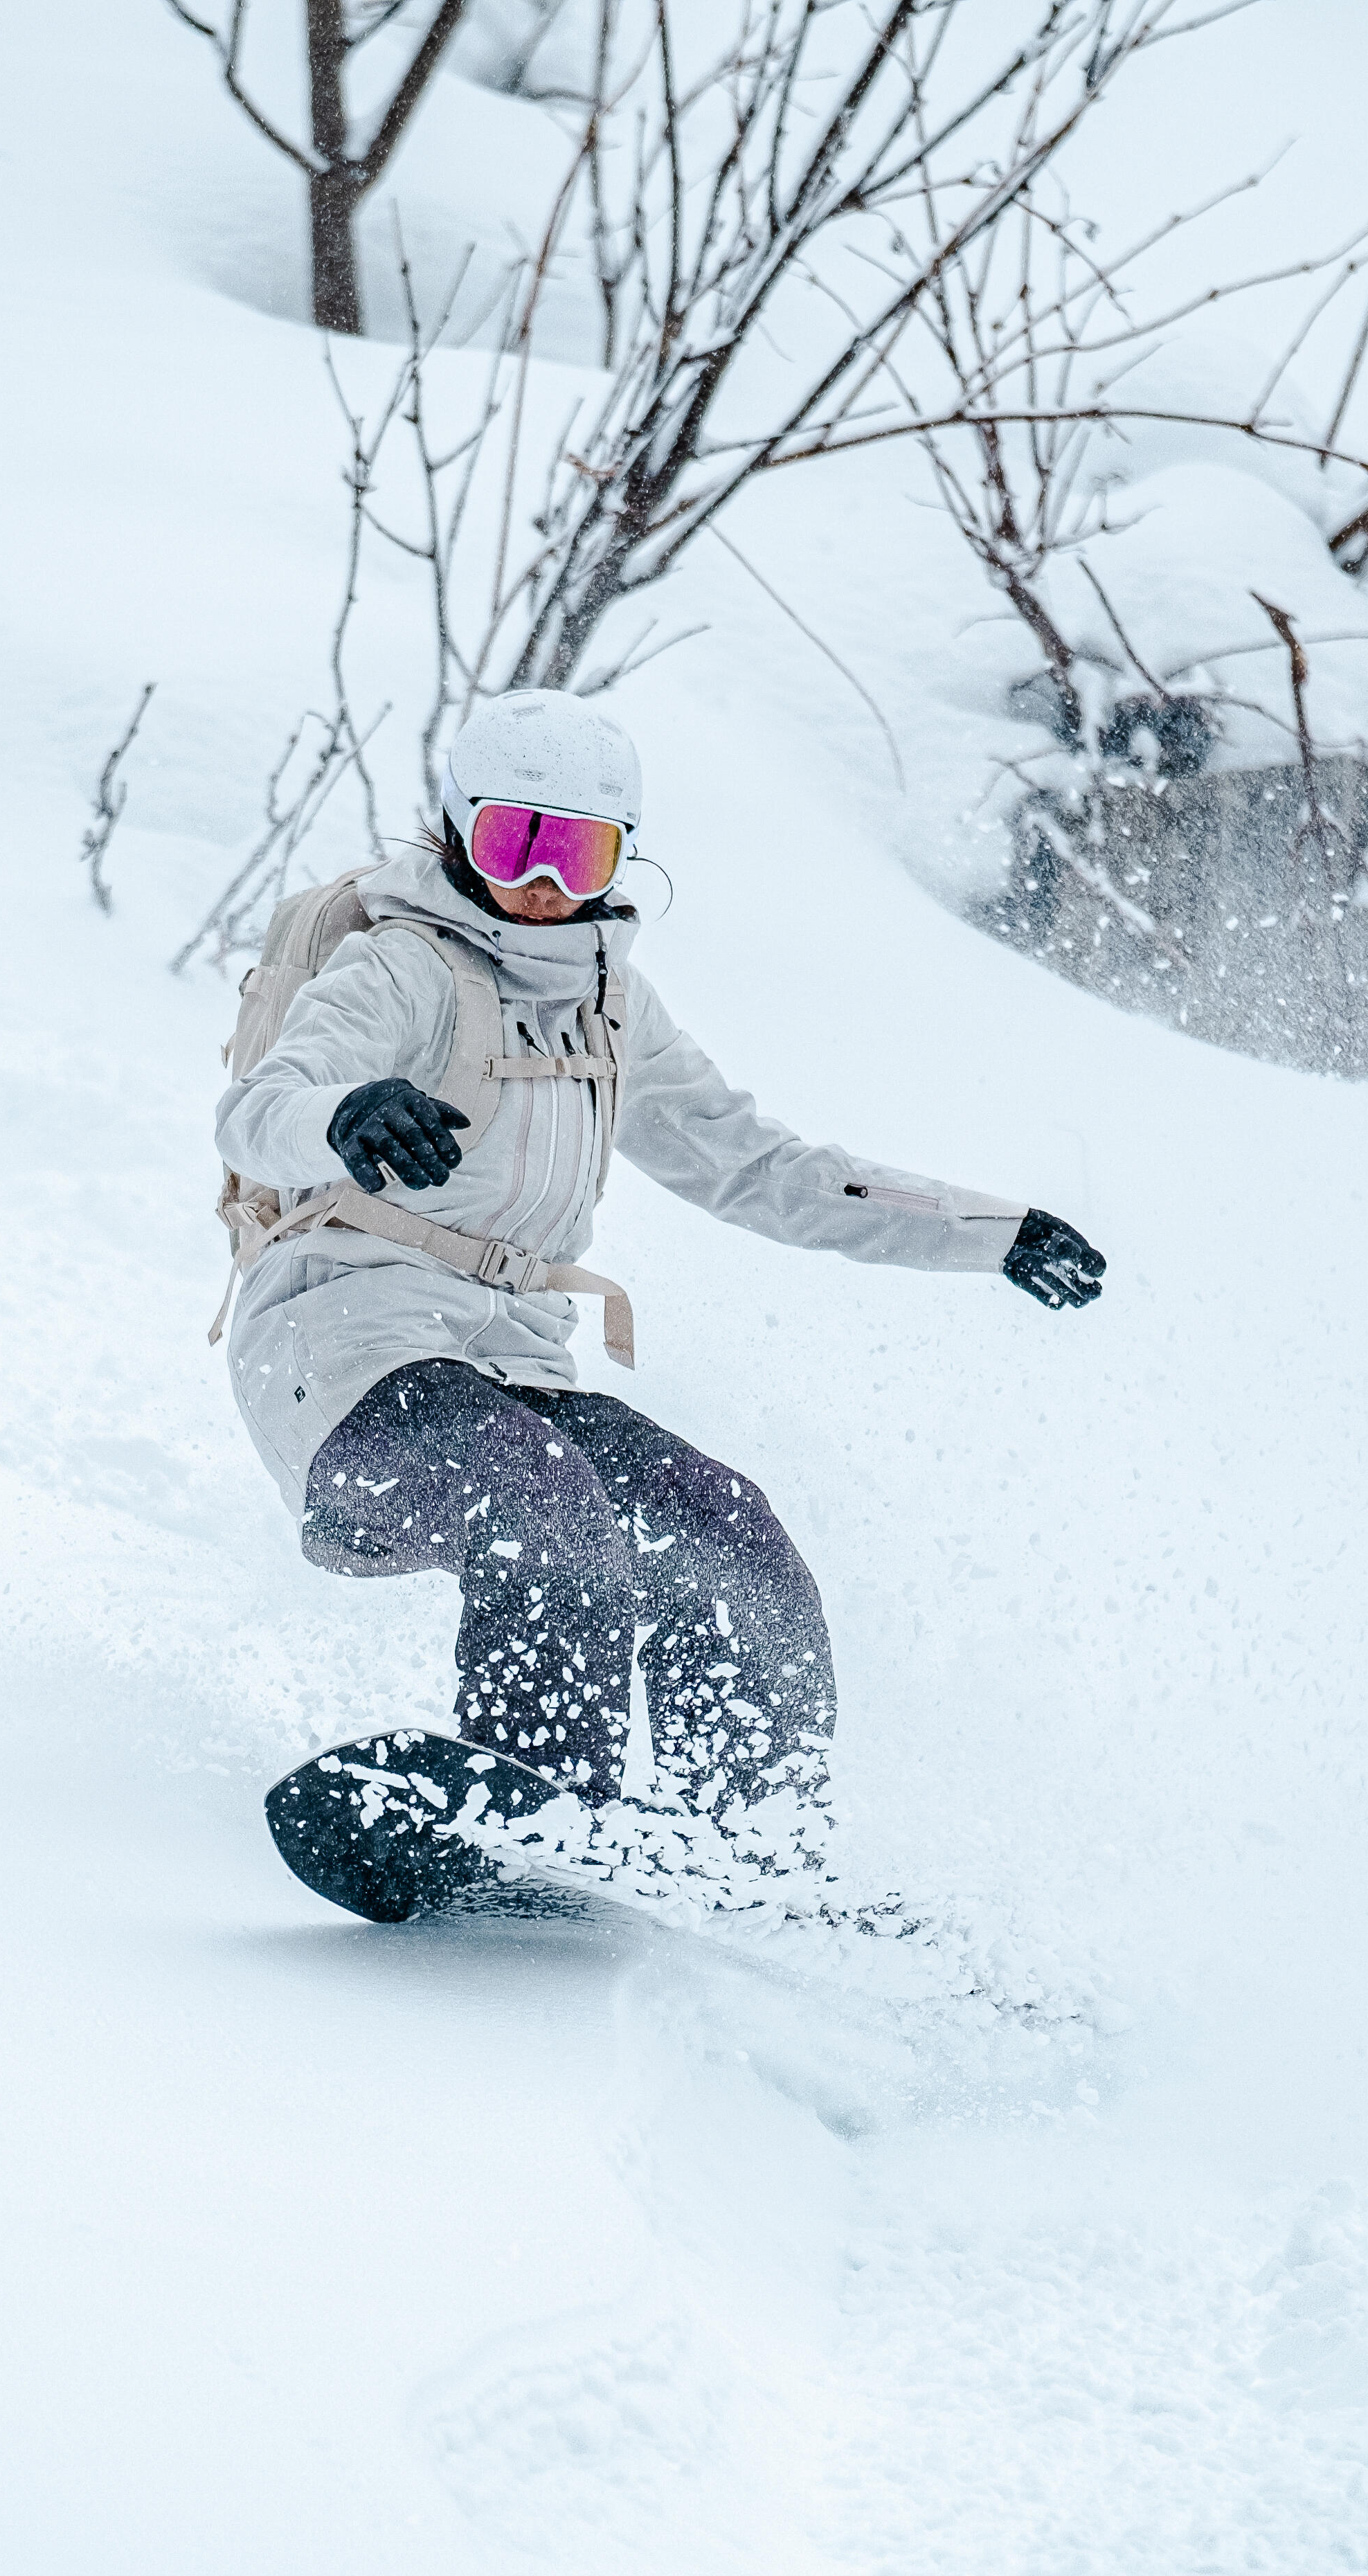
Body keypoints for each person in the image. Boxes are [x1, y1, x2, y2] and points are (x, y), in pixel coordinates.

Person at [213, 691, 1106, 1837]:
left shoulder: (612, 1011)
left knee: (726, 1531)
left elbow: (762, 1168)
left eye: (577, 852)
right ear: (455, 830)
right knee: (541, 1507)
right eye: (512, 842)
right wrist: (344, 1115)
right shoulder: (400, 970)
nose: (543, 880)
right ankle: (538, 1804)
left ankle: (748, 1832)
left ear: (618, 858)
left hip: (512, 1379)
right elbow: (258, 1110)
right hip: (341, 1359)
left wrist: (992, 1231)